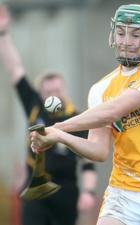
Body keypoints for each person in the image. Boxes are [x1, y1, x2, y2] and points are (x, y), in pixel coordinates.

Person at [29, 4, 140, 225]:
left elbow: (112, 112)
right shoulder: (100, 89)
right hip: (125, 191)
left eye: (136, 34)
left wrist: (57, 129)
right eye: (121, 33)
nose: (127, 41)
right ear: (113, 35)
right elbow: (99, 150)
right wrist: (60, 137)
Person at [0, 5, 97, 225]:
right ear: (42, 93)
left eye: (57, 91)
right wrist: (3, 34)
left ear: (64, 91)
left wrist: (88, 192)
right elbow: (15, 69)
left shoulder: (77, 118)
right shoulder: (34, 106)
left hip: (66, 191)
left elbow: (88, 162)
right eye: (49, 91)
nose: (54, 95)